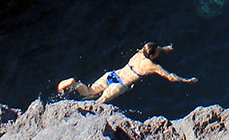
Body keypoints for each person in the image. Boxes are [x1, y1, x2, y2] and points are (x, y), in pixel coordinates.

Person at [56, 43, 193, 103]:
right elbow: (170, 76)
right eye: (157, 51)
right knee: (98, 103)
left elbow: (152, 49)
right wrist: (186, 80)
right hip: (120, 84)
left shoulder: (139, 53)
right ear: (152, 55)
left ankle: (74, 84)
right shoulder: (152, 66)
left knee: (90, 92)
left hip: (112, 75)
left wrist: (165, 49)